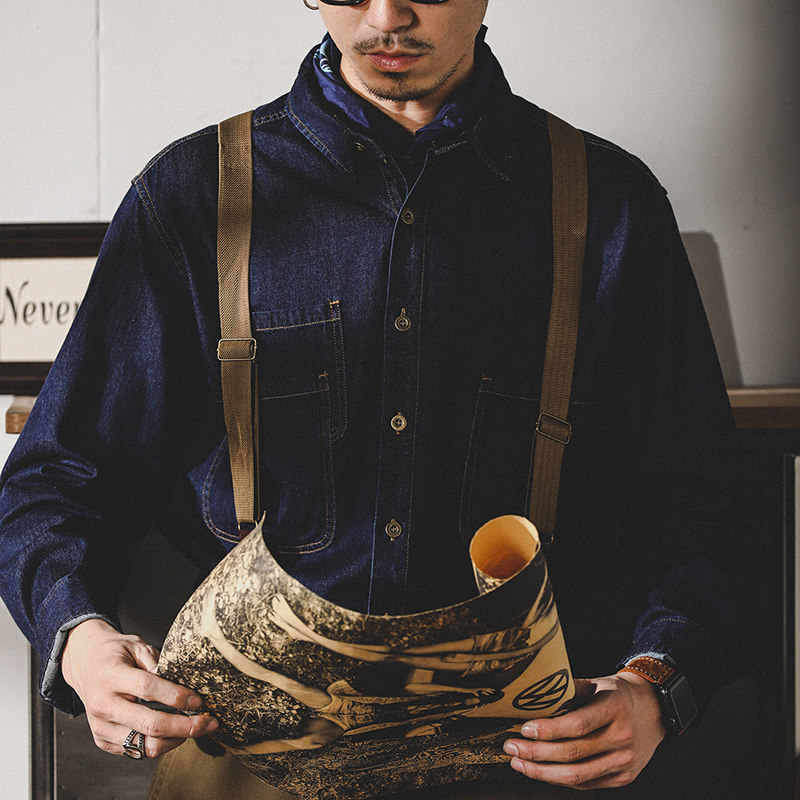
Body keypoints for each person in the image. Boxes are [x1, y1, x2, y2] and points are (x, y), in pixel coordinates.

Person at [0, 1, 746, 797]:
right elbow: (54, 483)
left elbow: (703, 506)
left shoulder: (610, 205)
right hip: (247, 765)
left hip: (531, 766)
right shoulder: (191, 198)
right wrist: (81, 643)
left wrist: (656, 685)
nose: (388, 14)